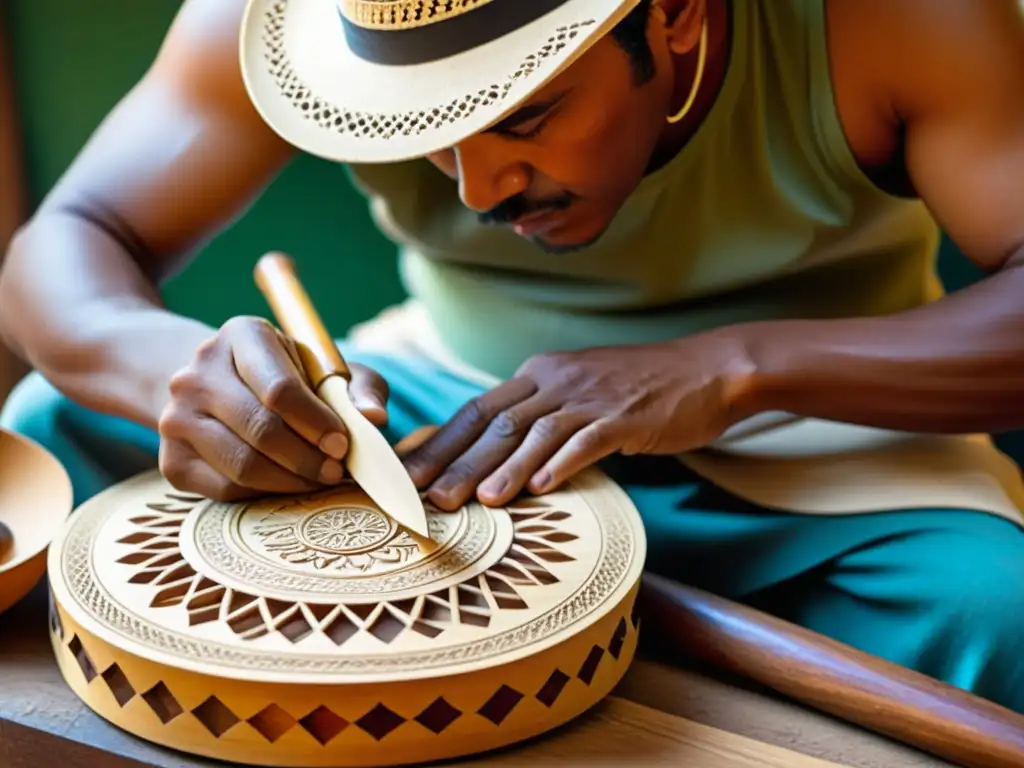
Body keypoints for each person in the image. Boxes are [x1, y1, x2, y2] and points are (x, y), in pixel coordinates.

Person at [2, 0, 1024, 713]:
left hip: (824, 444)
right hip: (453, 419)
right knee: (53, 426)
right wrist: (184, 376)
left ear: (672, 13)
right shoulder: (296, 22)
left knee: (999, 611)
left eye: (525, 115)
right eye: (422, 131)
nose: (476, 188)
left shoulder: (887, 16)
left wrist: (732, 368)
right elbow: (69, 239)